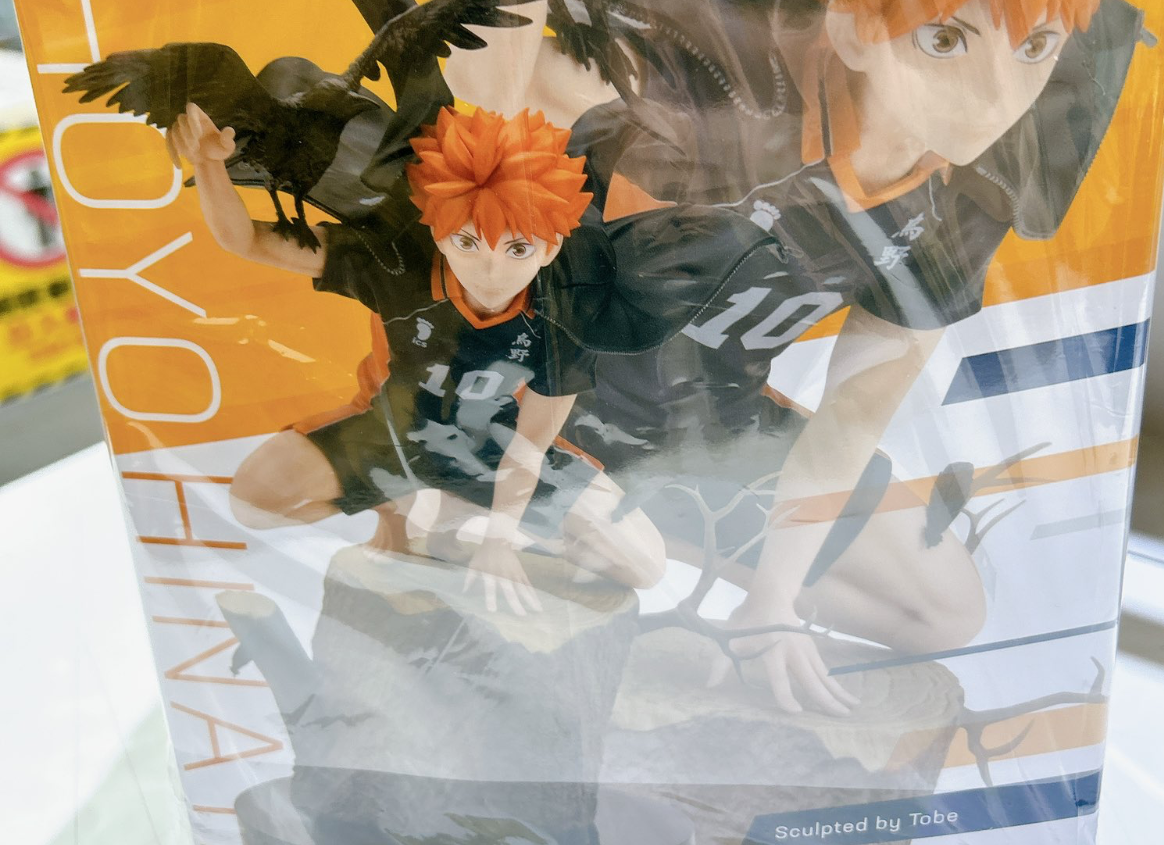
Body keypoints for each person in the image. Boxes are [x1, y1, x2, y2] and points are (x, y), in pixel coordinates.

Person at [441, 0, 1144, 709]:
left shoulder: (971, 192)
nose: (995, 96)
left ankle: (643, 528)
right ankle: (519, 503)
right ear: (852, 30)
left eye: (1035, 45)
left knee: (943, 610)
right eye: (945, 40)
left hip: (707, 422)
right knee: (602, 563)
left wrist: (770, 603)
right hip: (536, 389)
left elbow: (853, 414)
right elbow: (489, 102)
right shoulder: (723, 78)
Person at [165, 95, 779, 614]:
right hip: (394, 434)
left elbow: (530, 446)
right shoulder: (398, 263)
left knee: (642, 564)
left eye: (517, 250)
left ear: (551, 246)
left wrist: (501, 540)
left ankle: (454, 524)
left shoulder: (570, 301)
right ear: (437, 232)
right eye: (467, 243)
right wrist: (210, 166)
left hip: (497, 448)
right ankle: (406, 512)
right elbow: (247, 241)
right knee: (254, 502)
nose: (490, 270)